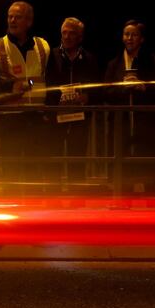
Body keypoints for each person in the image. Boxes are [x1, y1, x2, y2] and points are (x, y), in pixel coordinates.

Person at [0, 1, 51, 181]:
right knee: (11, 170)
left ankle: (36, 205)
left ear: (29, 22)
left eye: (18, 17)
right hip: (10, 118)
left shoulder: (43, 47)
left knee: (36, 171)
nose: (12, 20)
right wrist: (9, 87)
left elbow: (50, 78)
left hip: (37, 118)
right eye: (10, 16)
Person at [104, 19, 155, 193]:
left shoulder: (154, 62)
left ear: (142, 39)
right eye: (126, 34)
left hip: (148, 130)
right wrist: (122, 89)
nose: (129, 38)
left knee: (150, 180)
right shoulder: (114, 64)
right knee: (124, 181)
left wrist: (144, 88)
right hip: (122, 129)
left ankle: (152, 216)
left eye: (134, 34)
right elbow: (106, 94)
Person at [45, 17, 100, 183]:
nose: (67, 37)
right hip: (55, 117)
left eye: (72, 33)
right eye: (64, 33)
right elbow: (44, 84)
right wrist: (52, 103)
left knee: (78, 159)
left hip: (79, 118)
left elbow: (99, 88)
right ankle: (53, 202)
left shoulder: (90, 59)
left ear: (80, 37)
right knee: (53, 160)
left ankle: (77, 198)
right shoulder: (50, 56)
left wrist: (88, 97)